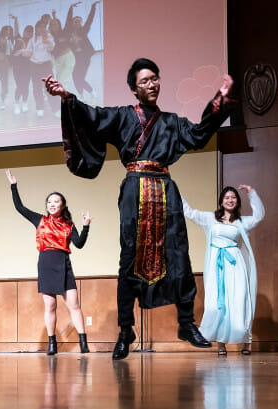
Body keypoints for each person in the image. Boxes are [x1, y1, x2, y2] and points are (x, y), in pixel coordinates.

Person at [43, 58, 235, 360]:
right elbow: (92, 116)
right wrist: (67, 97)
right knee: (129, 259)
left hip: (165, 189)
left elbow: (198, 135)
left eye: (156, 79)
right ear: (134, 88)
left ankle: (186, 323)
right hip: (135, 190)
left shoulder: (172, 122)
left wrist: (218, 102)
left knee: (178, 254)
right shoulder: (122, 117)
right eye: (145, 81)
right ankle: (125, 331)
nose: (152, 84)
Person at [6, 168, 91, 354]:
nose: (52, 204)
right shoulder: (40, 220)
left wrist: (85, 227)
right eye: (49, 202)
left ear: (63, 205)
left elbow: (79, 244)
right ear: (47, 206)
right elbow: (20, 208)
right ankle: (52, 343)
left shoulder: (69, 225)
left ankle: (84, 343)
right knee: (50, 305)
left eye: (56, 201)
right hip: (46, 263)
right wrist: (14, 186)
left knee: (73, 305)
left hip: (64, 263)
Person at [181, 185, 265, 355]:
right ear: (221, 201)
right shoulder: (210, 219)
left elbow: (258, 216)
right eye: (227, 197)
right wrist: (174, 191)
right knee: (219, 303)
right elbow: (189, 212)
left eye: (233, 197)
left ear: (237, 201)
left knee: (239, 301)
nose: (230, 200)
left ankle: (246, 344)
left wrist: (252, 193)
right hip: (216, 267)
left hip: (235, 266)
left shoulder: (242, 222)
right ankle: (221, 345)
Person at [65, 1, 99, 101]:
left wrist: (93, 7)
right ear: (72, 23)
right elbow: (67, 21)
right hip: (73, 58)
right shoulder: (68, 32)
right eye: (76, 21)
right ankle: (81, 94)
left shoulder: (83, 31)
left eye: (79, 21)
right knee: (75, 77)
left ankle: (91, 91)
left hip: (84, 58)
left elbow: (90, 20)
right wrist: (71, 8)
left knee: (80, 77)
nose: (78, 23)